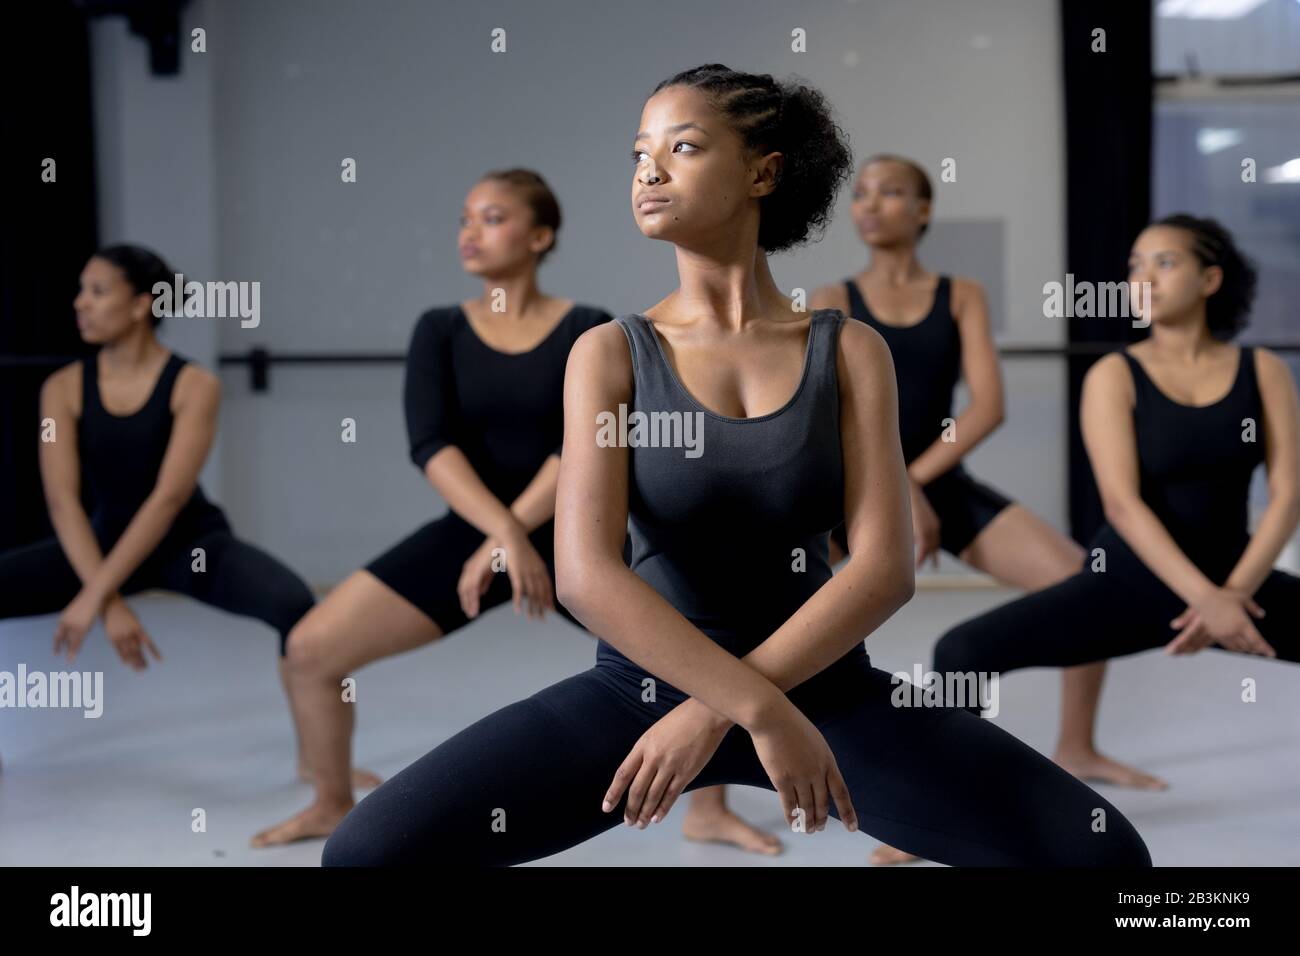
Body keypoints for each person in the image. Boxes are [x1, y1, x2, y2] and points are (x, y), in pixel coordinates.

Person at [320, 65, 1152, 868]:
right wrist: (745, 709)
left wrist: (749, 709)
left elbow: (884, 570)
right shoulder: (608, 353)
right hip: (639, 700)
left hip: (829, 694)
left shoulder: (850, 349)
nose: (648, 168)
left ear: (764, 172)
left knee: (1105, 853)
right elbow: (584, 575)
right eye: (639, 152)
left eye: (681, 147)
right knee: (367, 851)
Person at [811, 155, 1164, 866]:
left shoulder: (961, 294)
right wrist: (893, 488)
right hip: (851, 485)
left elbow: (988, 407)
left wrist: (914, 482)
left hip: (941, 479)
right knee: (758, 608)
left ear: (924, 211)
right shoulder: (832, 296)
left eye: (892, 193)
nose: (871, 205)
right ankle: (715, 798)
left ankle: (1078, 744)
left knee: (1081, 584)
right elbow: (831, 412)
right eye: (862, 194)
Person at [252, 169, 621, 847]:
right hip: (475, 531)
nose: (470, 233)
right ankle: (331, 800)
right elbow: (431, 444)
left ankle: (712, 806)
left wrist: (522, 534)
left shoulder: (587, 328)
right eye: (464, 219)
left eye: (492, 218)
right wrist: (503, 533)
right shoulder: (441, 329)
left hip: (574, 528)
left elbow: (577, 446)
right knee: (309, 649)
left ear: (540, 236)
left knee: (686, 647)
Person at [934, 214, 1300, 720]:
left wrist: (1233, 593)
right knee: (961, 653)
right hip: (1129, 582)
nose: (1142, 280)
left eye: (1165, 263)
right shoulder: (1114, 375)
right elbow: (1121, 505)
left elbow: (1287, 494)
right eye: (1135, 266)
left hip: (1236, 579)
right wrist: (1206, 600)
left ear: (1209, 280)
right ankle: (952, 797)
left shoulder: (1264, 371)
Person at [0, 244, 316, 774]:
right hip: (98, 545)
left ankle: (318, 761)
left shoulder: (195, 385)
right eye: (81, 291)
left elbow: (167, 499)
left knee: (296, 609)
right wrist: (108, 600)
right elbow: (62, 501)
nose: (80, 304)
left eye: (97, 292)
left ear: (142, 303)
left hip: (187, 543)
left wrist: (96, 596)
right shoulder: (62, 388)